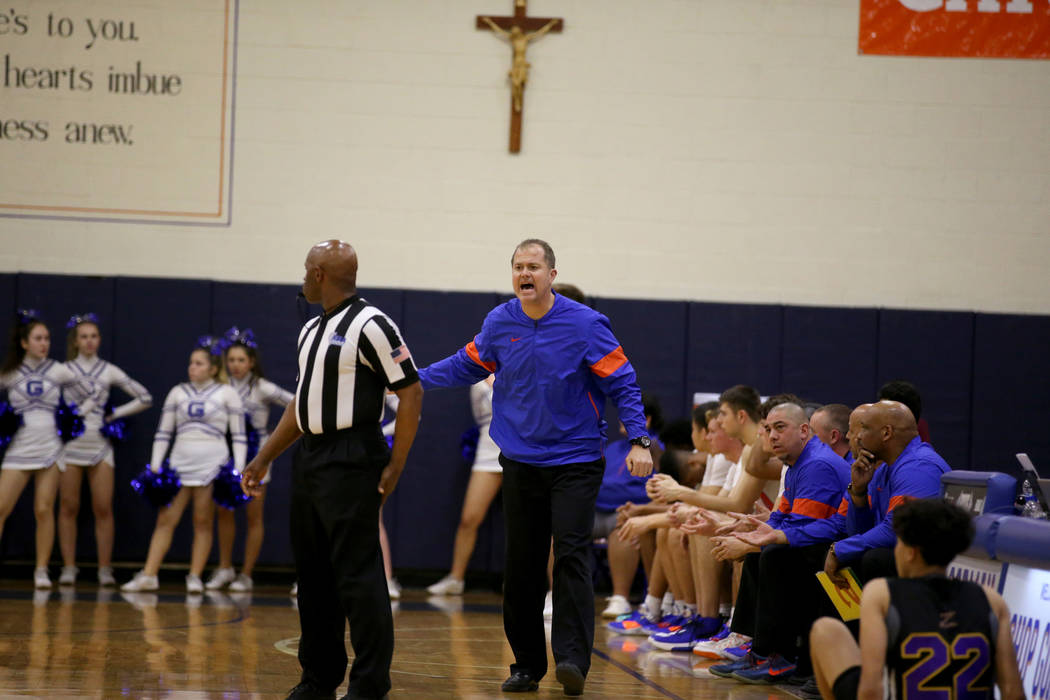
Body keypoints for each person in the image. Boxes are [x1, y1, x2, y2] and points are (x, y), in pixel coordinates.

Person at [418, 239, 652, 697]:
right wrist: (411, 380)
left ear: (551, 274)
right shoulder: (500, 321)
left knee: (570, 557)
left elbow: (623, 382)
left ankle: (571, 660)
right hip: (520, 460)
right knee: (521, 565)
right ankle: (526, 664)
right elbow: (467, 364)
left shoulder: (586, 324)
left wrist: (640, 439)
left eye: (534, 267)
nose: (525, 274)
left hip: (576, 461)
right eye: (518, 267)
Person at [240, 240, 423, 700]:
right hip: (311, 457)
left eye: (306, 269)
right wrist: (265, 458)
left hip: (354, 455)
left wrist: (395, 463)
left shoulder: (373, 323)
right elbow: (301, 408)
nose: (302, 277)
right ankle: (318, 679)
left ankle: (368, 684)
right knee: (314, 575)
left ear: (320, 274)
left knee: (358, 575)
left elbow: (412, 392)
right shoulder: (309, 331)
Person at [810, 498, 1023, 700]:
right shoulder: (991, 599)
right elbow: (1013, 691)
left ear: (911, 551)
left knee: (825, 630)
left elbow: (871, 688)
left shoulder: (882, 593)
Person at [708, 401, 850, 683]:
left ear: (804, 431)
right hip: (815, 540)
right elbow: (780, 517)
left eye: (780, 428)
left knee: (772, 555)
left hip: (836, 548)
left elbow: (807, 529)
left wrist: (753, 542)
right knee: (761, 553)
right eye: (768, 429)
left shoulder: (817, 464)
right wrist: (745, 533)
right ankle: (759, 651)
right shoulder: (798, 463)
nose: (772, 436)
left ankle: (780, 656)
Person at [121, 340, 246, 594]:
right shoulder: (178, 392)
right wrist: (156, 465)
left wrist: (239, 469)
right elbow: (164, 432)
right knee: (165, 520)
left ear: (213, 368)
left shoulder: (227, 393)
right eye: (191, 363)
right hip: (179, 466)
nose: (192, 368)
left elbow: (239, 435)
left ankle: (195, 576)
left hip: (212, 466)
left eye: (199, 363)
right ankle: (149, 574)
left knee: (202, 521)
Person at [0, 311, 97, 589]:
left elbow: (90, 396)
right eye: (38, 338)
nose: (44, 343)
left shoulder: (58, 370)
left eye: (47, 338)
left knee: (44, 509)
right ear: (24, 343)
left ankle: (41, 570)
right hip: (19, 446)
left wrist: (72, 420)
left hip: (50, 447)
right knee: (1, 508)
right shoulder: (10, 373)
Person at [58, 313, 153, 587]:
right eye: (84, 336)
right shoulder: (64, 371)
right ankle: (68, 567)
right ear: (75, 341)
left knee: (103, 508)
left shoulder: (108, 370)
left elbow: (145, 397)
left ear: (99, 340)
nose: (89, 341)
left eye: (94, 336)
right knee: (68, 507)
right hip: (69, 446)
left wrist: (113, 415)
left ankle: (104, 569)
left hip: (100, 446)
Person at [824, 400, 951, 585]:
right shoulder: (882, 470)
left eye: (864, 428)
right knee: (850, 553)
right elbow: (857, 533)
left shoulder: (919, 467)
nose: (858, 437)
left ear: (886, 433)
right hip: (908, 554)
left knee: (875, 558)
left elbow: (897, 531)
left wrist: (840, 550)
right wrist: (858, 493)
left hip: (934, 561)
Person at [205, 327, 293, 593]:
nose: (236, 365)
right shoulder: (219, 387)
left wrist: (271, 437)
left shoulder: (263, 388)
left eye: (241, 360)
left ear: (251, 362)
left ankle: (246, 574)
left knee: (254, 515)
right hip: (226, 455)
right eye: (231, 360)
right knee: (224, 511)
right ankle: (224, 567)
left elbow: (295, 404)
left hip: (257, 456)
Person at [427, 374, 501, 596]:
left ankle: (547, 588)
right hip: (488, 450)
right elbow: (479, 416)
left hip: (522, 450)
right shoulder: (478, 377)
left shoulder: (525, 364)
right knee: (469, 517)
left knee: (532, 525)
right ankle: (456, 578)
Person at [479, 16, 560, 112]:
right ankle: (516, 100)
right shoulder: (513, 39)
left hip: (522, 64)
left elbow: (539, 33)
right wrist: (490, 23)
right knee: (515, 84)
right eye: (512, 32)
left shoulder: (526, 39)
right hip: (515, 64)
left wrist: (551, 24)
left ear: (519, 31)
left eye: (515, 31)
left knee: (520, 84)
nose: (513, 33)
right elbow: (500, 31)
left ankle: (519, 101)